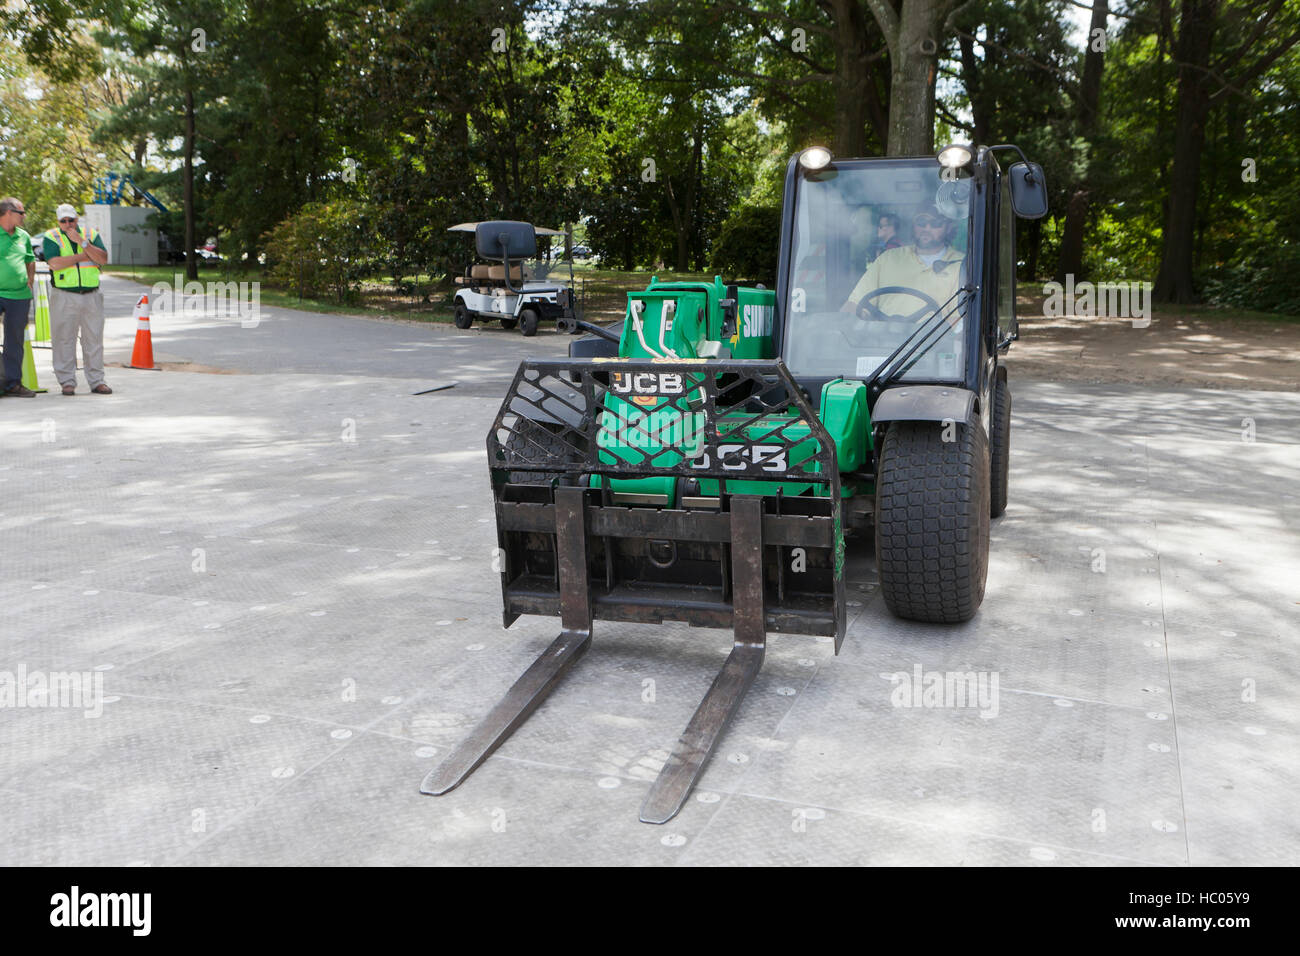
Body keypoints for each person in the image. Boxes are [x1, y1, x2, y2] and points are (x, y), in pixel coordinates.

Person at [842, 204, 964, 319]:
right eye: (921, 222)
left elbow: (960, 321)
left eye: (936, 223)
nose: (927, 228)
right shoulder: (888, 258)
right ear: (914, 225)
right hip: (884, 339)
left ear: (948, 228)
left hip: (936, 339)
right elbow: (854, 304)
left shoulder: (962, 264)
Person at [42, 204, 111, 395]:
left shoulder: (89, 234)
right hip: (64, 295)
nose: (67, 224)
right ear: (58, 221)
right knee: (63, 339)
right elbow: (55, 263)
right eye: (63, 221)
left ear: (76, 219)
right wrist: (85, 255)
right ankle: (67, 382)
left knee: (94, 339)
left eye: (70, 220)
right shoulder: (51, 236)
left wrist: (82, 242)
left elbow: (103, 259)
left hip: (91, 295)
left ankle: (97, 381)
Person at [0, 197, 37, 397]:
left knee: (14, 341)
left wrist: (30, 279)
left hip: (19, 296)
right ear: (8, 212)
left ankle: (13, 384)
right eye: (21, 213)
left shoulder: (23, 236)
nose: (24, 216)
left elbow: (30, 260)